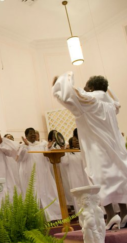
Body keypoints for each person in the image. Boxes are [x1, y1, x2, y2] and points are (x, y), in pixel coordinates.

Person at [53, 72, 127, 229]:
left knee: (100, 179)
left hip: (98, 148)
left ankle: (111, 215)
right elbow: (115, 100)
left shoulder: (90, 100)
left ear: (92, 88)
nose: (84, 89)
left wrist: (60, 83)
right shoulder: (111, 104)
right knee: (119, 178)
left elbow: (69, 96)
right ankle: (124, 212)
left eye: (87, 86)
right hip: (116, 148)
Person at [19, 128, 61, 221]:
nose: (33, 135)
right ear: (26, 136)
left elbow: (48, 157)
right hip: (30, 173)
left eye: (34, 133)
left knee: (47, 191)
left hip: (43, 173)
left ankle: (53, 215)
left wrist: (49, 147)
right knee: (33, 193)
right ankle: (35, 218)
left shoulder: (42, 145)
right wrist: (26, 146)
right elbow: (20, 158)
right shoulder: (23, 146)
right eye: (31, 133)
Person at [62, 136, 90, 211]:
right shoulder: (68, 153)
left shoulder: (82, 151)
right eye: (74, 140)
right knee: (77, 194)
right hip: (74, 177)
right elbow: (64, 162)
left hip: (84, 176)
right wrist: (65, 151)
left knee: (86, 193)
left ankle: (89, 211)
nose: (77, 141)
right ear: (71, 143)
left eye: (77, 140)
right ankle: (79, 212)